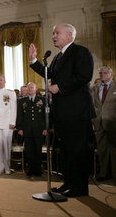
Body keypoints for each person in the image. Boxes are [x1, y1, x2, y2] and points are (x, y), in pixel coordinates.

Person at [29, 23, 95, 197]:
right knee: (65, 151)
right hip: (63, 112)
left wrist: (61, 87)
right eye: (52, 33)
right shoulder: (58, 56)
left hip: (77, 112)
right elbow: (49, 73)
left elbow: (85, 76)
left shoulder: (80, 52)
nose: (53, 36)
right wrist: (33, 61)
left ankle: (80, 187)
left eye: (57, 33)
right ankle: (68, 184)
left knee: (77, 150)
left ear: (70, 35)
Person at [16, 82, 46, 177]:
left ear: (35, 89)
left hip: (39, 129)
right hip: (27, 129)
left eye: (32, 88)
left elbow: (45, 116)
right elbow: (20, 115)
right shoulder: (22, 101)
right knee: (29, 151)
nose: (30, 89)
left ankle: (38, 169)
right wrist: (20, 128)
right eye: (28, 88)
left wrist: (46, 128)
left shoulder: (42, 100)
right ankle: (31, 169)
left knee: (38, 150)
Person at [91, 66, 115, 181]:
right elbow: (92, 104)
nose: (102, 75)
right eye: (100, 73)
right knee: (102, 150)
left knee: (114, 149)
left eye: (105, 73)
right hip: (99, 123)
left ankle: (115, 174)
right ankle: (104, 173)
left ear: (111, 74)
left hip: (113, 123)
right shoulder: (95, 88)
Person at [0, 75, 17, 175]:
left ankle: (7, 167)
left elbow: (13, 108)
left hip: (7, 123)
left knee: (6, 145)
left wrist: (12, 122)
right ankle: (0, 166)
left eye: (1, 80)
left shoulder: (10, 93)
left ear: (5, 81)